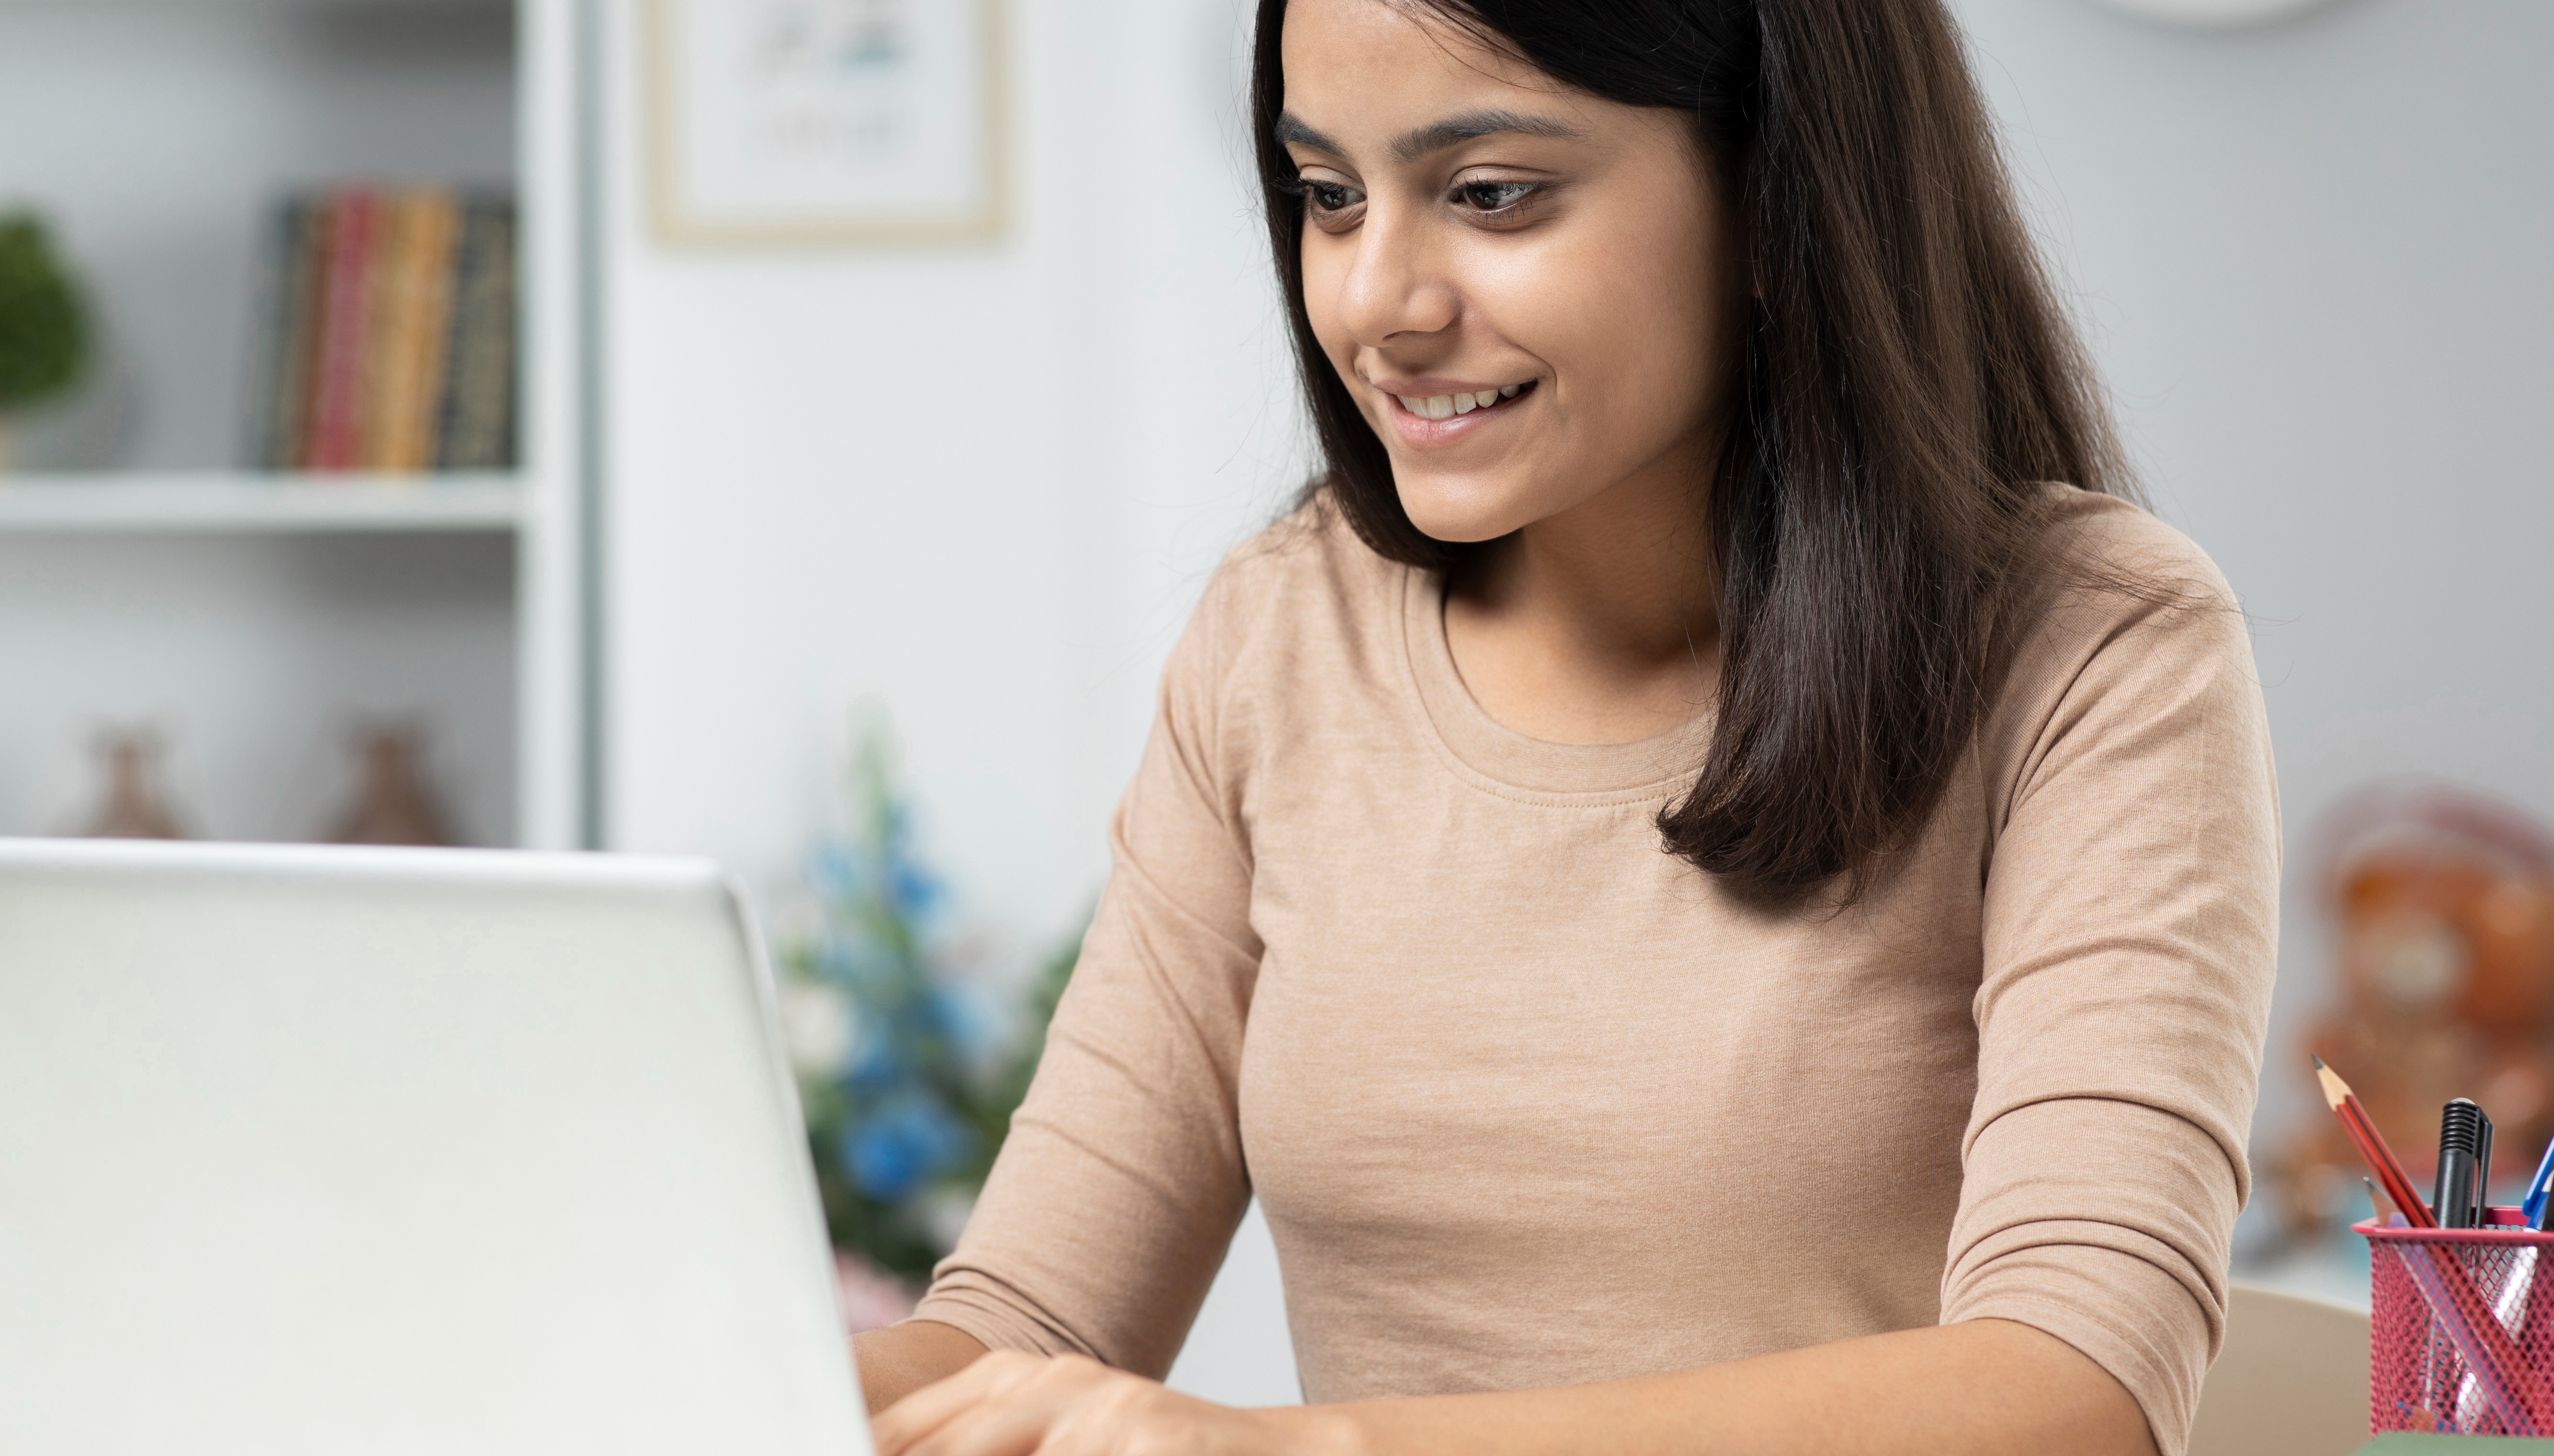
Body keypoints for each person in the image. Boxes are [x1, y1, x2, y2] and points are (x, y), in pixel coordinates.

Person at [857, 0, 2276, 1452]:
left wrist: (1311, 1447)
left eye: (1489, 194)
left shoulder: (2097, 644)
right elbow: (1023, 1323)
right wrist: (759, 1382)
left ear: (1780, 186)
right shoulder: (1282, 633)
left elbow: (2075, 1394)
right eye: (1330, 196)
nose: (1377, 301)